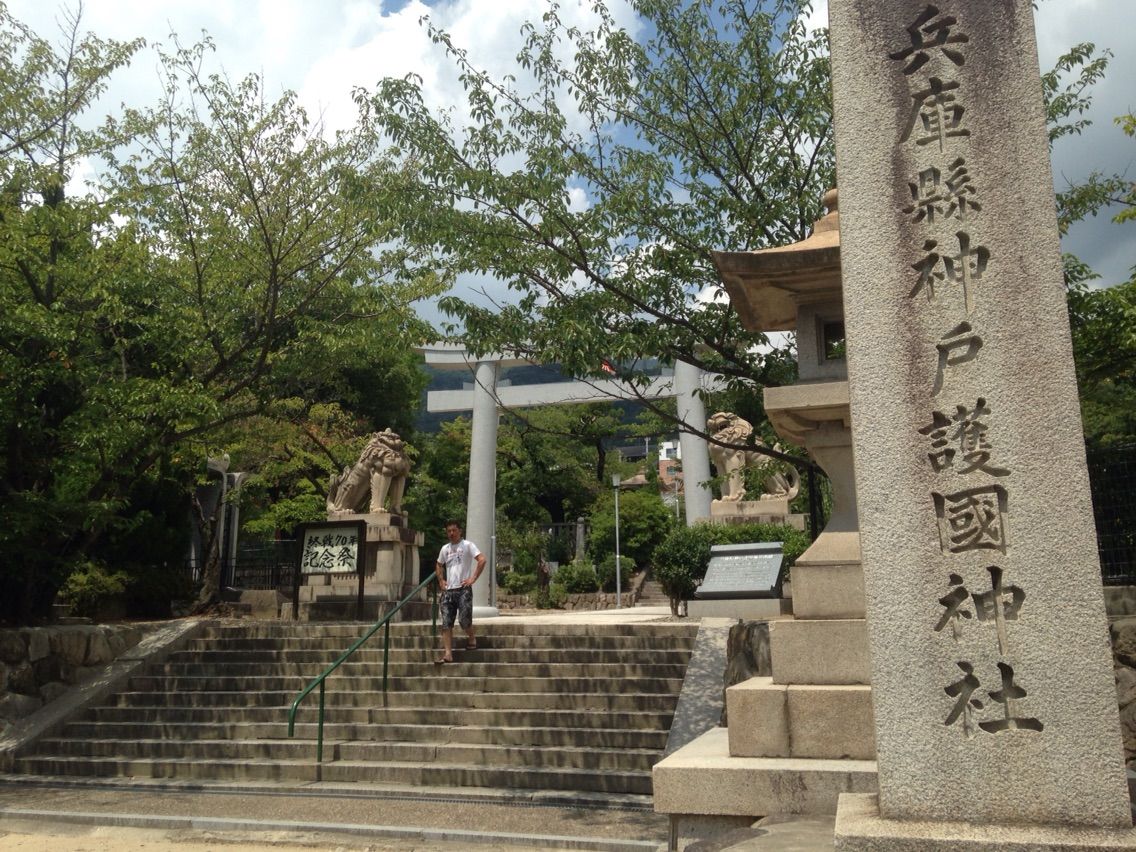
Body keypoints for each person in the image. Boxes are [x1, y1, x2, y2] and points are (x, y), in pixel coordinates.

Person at [434, 520, 486, 664]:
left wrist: (473, 578)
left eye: (454, 530)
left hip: (463, 589)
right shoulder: (445, 548)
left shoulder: (468, 545)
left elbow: (482, 559)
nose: (451, 533)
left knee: (464, 620)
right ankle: (448, 654)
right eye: (449, 531)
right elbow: (439, 564)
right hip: (449, 590)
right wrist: (440, 580)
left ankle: (471, 637)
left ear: (460, 531)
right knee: (446, 623)